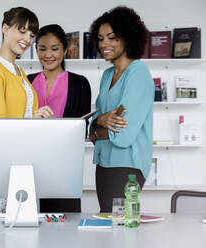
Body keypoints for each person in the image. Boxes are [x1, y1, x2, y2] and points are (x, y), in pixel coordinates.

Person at [0, 7, 53, 212]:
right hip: (1, 163)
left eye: (31, 34)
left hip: (22, 161)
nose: (27, 39)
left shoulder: (18, 71)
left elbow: (24, 116)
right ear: (5, 28)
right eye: (22, 31)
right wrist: (32, 120)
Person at [89, 6, 154, 213]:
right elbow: (93, 127)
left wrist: (97, 129)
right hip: (104, 163)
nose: (104, 44)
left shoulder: (138, 73)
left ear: (127, 38)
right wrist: (99, 123)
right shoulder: (107, 75)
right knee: (108, 222)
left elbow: (124, 135)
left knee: (120, 227)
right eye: (100, 38)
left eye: (111, 37)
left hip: (127, 166)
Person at [27, 24, 91, 212]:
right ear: (36, 49)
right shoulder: (26, 81)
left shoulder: (80, 84)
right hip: (30, 162)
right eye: (42, 48)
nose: (48, 55)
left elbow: (82, 129)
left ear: (65, 50)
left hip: (64, 166)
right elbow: (18, 123)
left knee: (66, 224)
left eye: (55, 49)